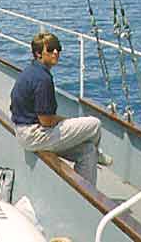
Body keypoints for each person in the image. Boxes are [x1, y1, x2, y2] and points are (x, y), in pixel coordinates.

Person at [10, 32, 110, 186]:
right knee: (95, 124)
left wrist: (64, 122)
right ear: (38, 53)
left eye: (58, 48)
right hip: (35, 135)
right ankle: (99, 154)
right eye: (50, 49)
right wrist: (66, 121)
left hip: (24, 131)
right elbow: (46, 121)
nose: (55, 52)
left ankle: (85, 196)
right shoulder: (43, 79)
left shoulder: (30, 71)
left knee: (87, 151)